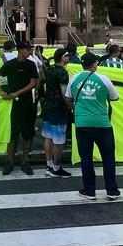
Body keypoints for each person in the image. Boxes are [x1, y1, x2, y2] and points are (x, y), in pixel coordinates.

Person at [65, 51, 120, 200]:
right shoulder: (103, 79)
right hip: (102, 124)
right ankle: (112, 190)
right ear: (94, 65)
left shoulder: (74, 78)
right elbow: (115, 97)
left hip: (82, 124)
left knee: (86, 158)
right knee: (108, 157)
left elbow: (68, 97)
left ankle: (89, 190)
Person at [0, 40, 40, 176]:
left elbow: (33, 82)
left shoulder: (31, 64)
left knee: (27, 133)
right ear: (20, 50)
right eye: (27, 49)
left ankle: (25, 161)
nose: (29, 51)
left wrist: (17, 93)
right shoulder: (10, 64)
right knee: (12, 133)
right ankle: (9, 161)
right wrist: (0, 91)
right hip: (12, 104)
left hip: (27, 103)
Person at [41, 48, 72, 177]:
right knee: (59, 140)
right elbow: (64, 93)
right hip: (58, 107)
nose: (68, 58)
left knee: (48, 137)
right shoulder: (62, 72)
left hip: (47, 105)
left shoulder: (49, 69)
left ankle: (49, 165)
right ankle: (56, 168)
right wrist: (70, 104)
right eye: (67, 56)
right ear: (62, 58)